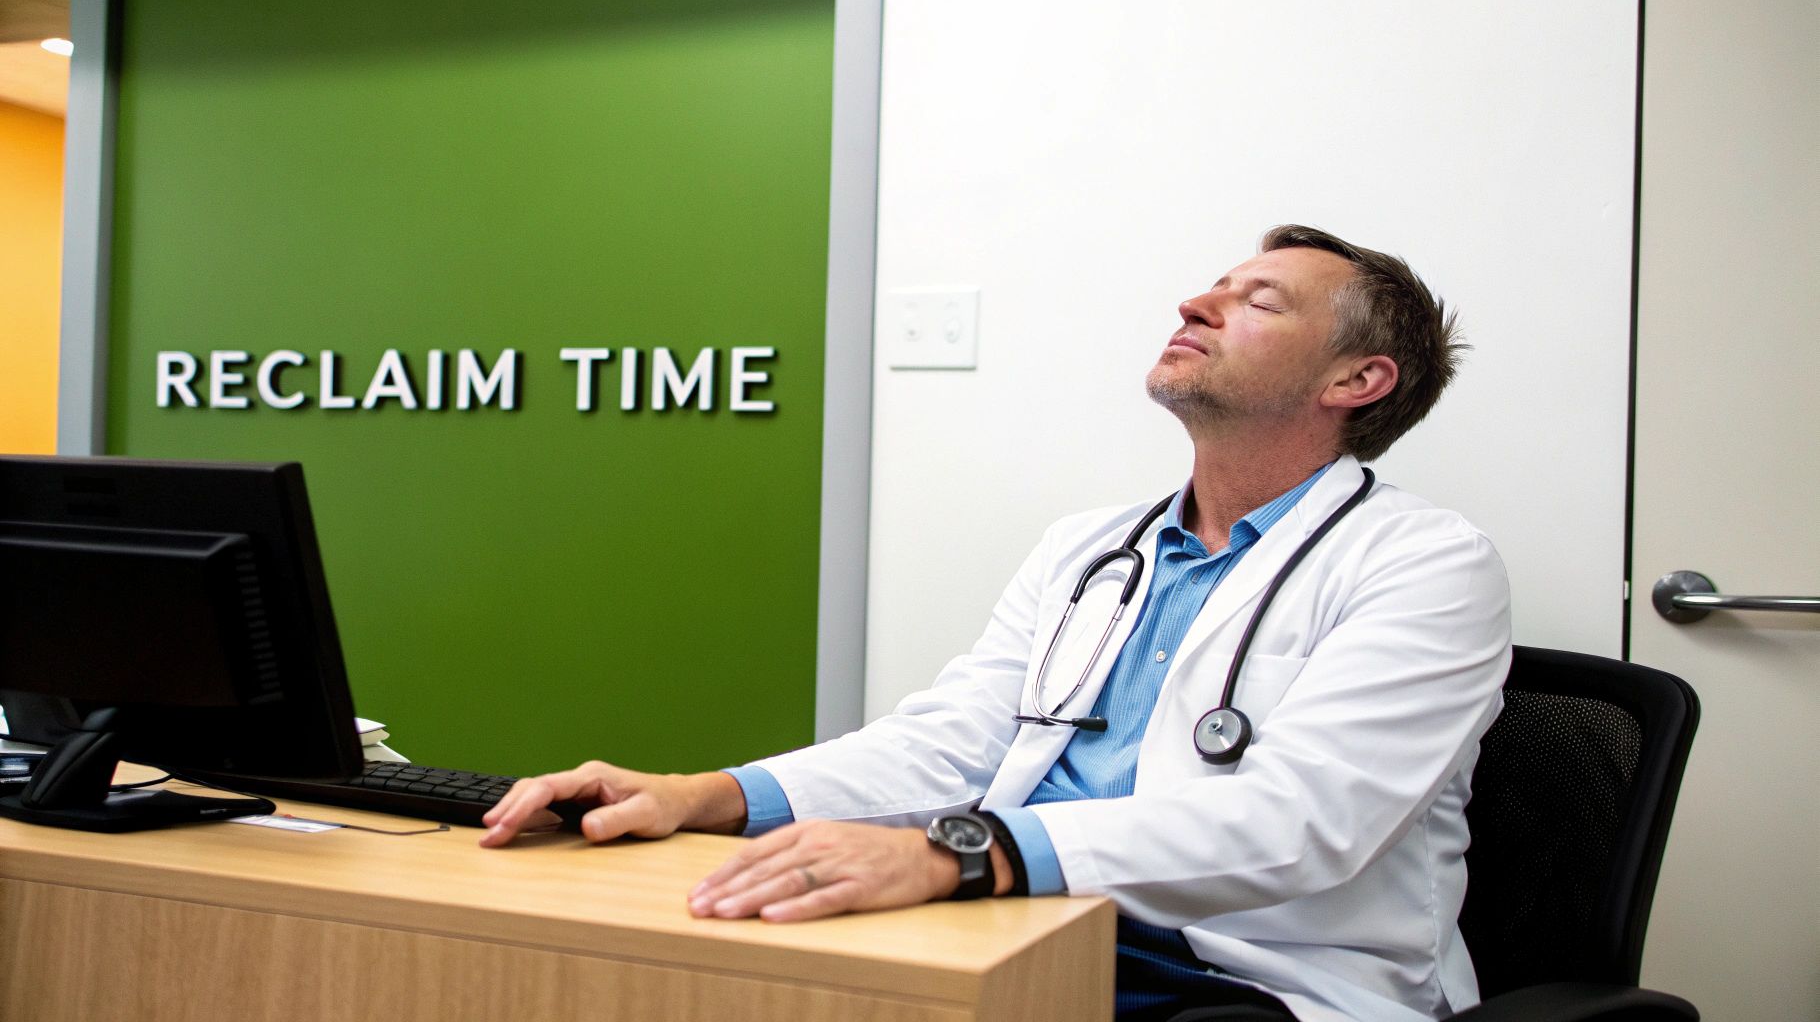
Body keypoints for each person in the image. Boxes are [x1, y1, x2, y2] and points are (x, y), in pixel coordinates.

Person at [481, 225, 1512, 1022]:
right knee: (698, 952)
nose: (1194, 301)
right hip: (1030, 919)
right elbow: (955, 737)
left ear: (1354, 380)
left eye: (1255, 301)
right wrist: (703, 795)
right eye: (1213, 285)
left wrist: (960, 853)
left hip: (1250, 976)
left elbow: (1299, 822)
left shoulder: (1425, 565)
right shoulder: (1089, 549)